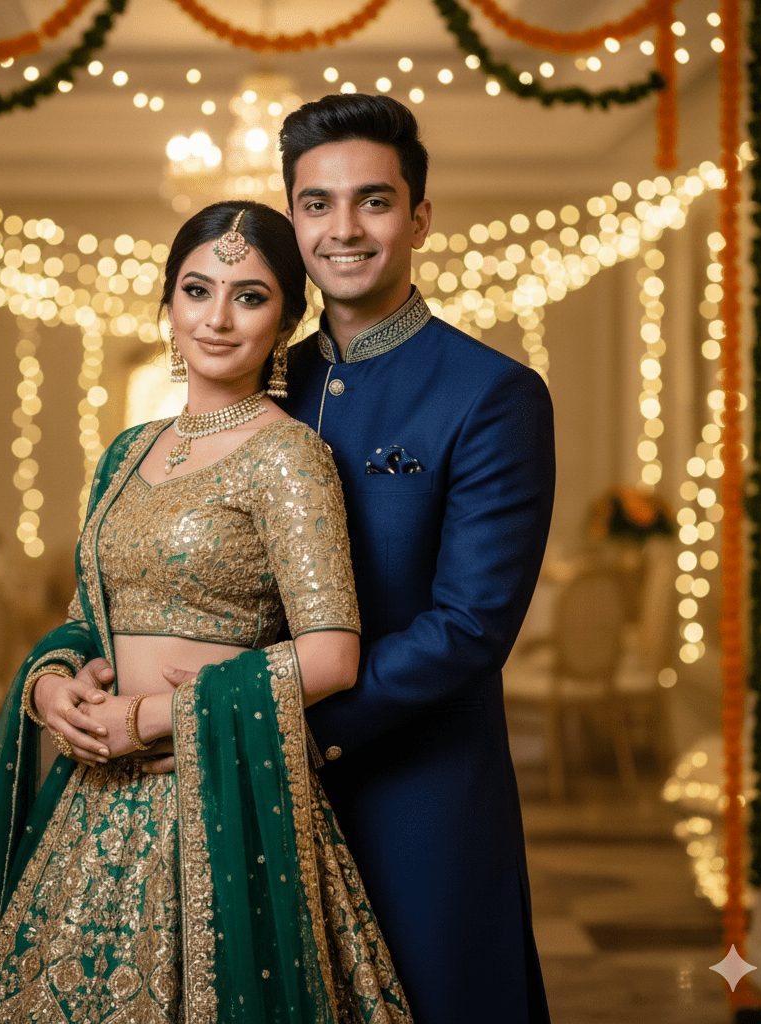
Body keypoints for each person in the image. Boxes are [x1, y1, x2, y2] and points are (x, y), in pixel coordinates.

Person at [0, 201, 414, 1023]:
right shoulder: (127, 451)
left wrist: (155, 716)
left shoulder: (290, 456)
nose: (218, 318)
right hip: (90, 791)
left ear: (288, 319)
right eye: (197, 290)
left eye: (251, 296)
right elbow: (87, 616)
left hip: (218, 790)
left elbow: (333, 656)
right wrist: (51, 686)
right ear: (168, 306)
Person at [276, 94, 555, 1023]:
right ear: (292, 218)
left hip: (421, 798)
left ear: (419, 217)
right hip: (259, 800)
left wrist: (287, 729)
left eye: (374, 201)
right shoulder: (265, 380)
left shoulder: (493, 393)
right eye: (316, 203)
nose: (343, 228)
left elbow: (471, 625)